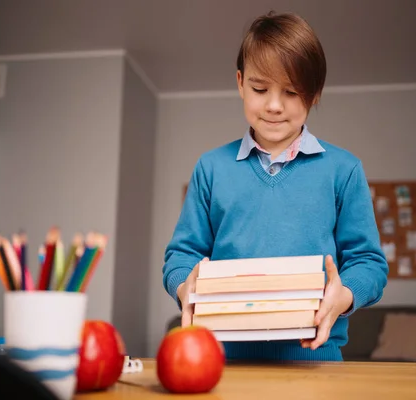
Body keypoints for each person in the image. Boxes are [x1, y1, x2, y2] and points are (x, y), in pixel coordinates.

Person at [162, 11, 388, 362]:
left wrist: (343, 295)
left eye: (292, 92)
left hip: (316, 361)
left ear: (314, 94)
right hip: (219, 361)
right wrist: (184, 286)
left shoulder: (343, 170)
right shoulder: (210, 168)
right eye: (259, 88)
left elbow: (368, 263)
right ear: (239, 83)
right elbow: (180, 255)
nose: (273, 105)